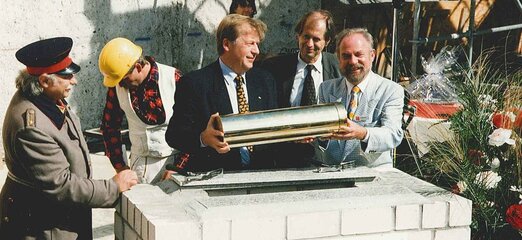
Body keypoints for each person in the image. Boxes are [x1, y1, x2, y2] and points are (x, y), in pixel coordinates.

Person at [0, 37, 138, 239]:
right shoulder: (31, 127)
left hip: (57, 215)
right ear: (45, 81)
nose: (74, 80)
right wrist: (113, 187)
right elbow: (61, 185)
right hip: (40, 225)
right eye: (66, 75)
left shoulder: (44, 97)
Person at [165, 14, 278, 172]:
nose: (256, 51)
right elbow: (174, 135)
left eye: (257, 44)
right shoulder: (195, 83)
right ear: (226, 44)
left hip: (262, 176)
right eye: (250, 43)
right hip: (216, 178)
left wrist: (297, 138)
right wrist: (203, 138)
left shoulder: (265, 80)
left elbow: (273, 130)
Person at [261, 10, 341, 167]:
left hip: (327, 159)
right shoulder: (274, 68)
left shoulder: (339, 69)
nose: (309, 44)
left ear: (327, 41)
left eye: (316, 39)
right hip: (283, 158)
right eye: (306, 36)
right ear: (298, 36)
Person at [316, 28, 404, 169]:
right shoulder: (327, 89)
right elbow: (321, 135)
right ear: (338, 58)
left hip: (374, 176)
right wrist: (314, 134)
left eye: (358, 54)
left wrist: (363, 133)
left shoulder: (391, 90)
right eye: (346, 56)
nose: (353, 61)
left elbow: (393, 135)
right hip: (332, 174)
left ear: (372, 55)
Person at [98, 37, 182, 184]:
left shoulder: (173, 78)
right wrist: (120, 167)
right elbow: (109, 127)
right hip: (139, 166)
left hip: (174, 162)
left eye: (124, 79)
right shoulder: (117, 86)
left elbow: (196, 125)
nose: (121, 85)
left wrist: (179, 167)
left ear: (137, 66)